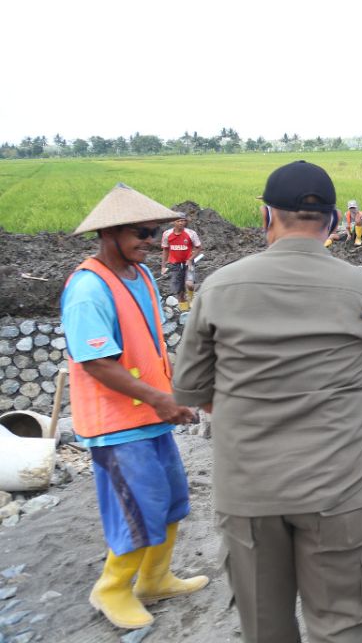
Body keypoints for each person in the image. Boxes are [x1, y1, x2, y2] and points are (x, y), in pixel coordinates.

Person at [172, 161, 362, 643]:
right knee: (342, 624)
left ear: (265, 217)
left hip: (249, 492)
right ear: (336, 222)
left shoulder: (219, 288)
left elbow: (191, 389)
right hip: (337, 489)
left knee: (265, 628)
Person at [60, 183, 208, 631]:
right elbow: (98, 363)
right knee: (137, 506)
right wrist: (162, 399)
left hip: (149, 417)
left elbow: (150, 346)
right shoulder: (88, 288)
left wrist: (175, 390)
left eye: (155, 232)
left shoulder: (139, 275)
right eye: (142, 232)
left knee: (171, 501)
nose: (152, 240)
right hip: (117, 423)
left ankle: (155, 578)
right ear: (110, 233)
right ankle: (111, 589)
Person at [160, 216, 201, 309]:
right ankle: (184, 310)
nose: (181, 223)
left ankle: (191, 297)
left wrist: (190, 259)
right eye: (179, 221)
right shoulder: (167, 234)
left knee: (189, 284)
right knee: (179, 291)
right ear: (173, 222)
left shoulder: (191, 233)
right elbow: (165, 250)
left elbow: (198, 247)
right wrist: (163, 266)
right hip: (175, 265)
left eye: (183, 221)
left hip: (188, 263)